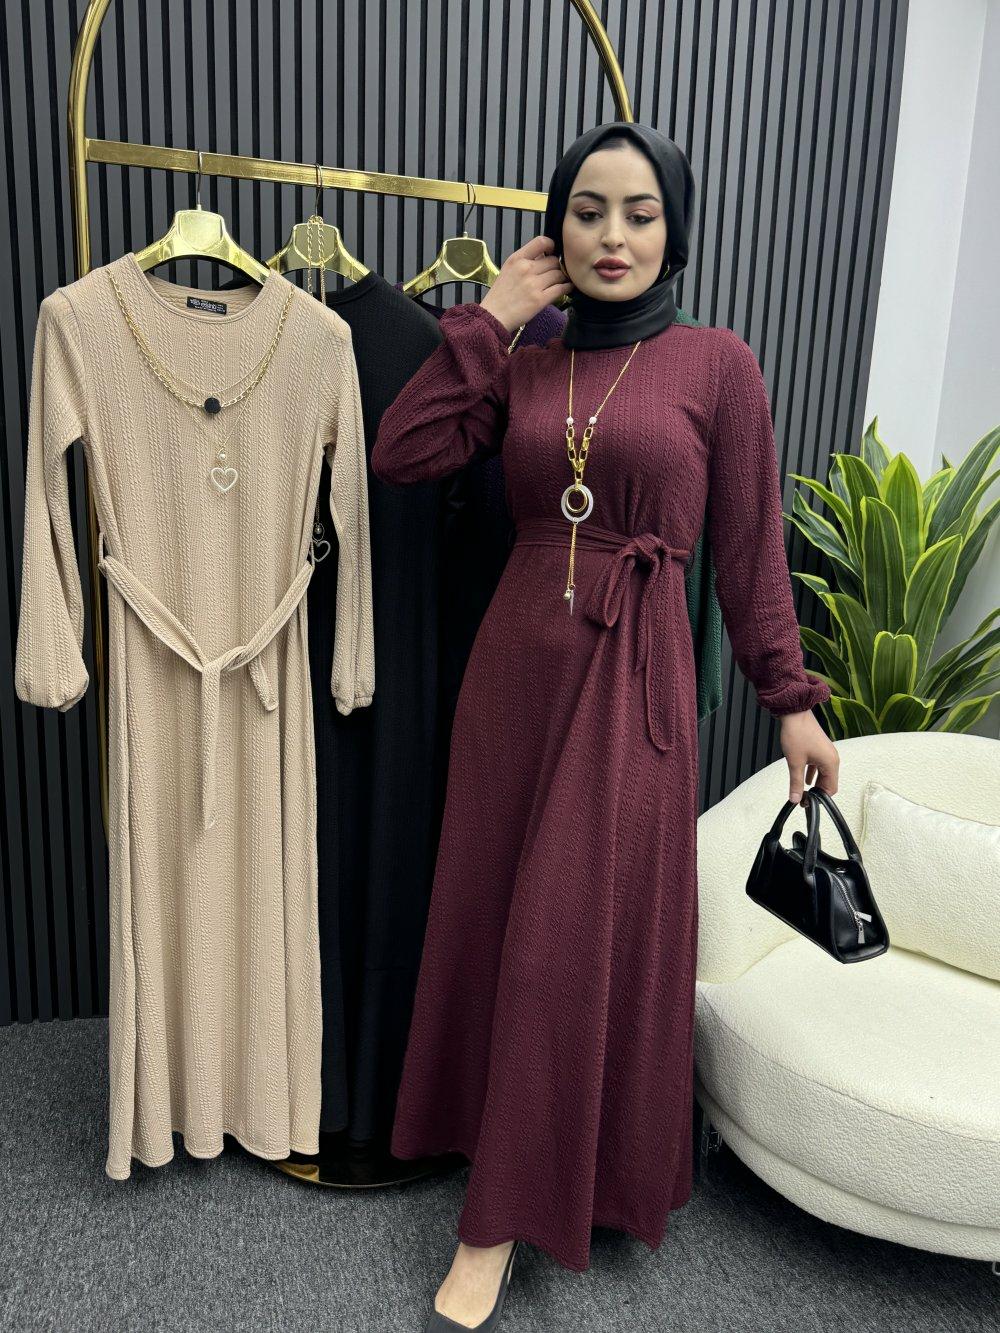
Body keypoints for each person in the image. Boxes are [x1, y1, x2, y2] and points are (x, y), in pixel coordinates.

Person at [371, 121, 840, 1331]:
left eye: (639, 213)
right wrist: (488, 317)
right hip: (512, 681)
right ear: (554, 227)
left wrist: (789, 698)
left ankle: (495, 1222)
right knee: (495, 922)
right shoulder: (525, 359)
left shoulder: (717, 364)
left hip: (633, 683)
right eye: (587, 211)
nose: (612, 236)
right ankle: (503, 1153)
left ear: (674, 231)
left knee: (567, 938)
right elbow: (403, 451)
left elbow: (749, 552)